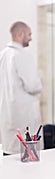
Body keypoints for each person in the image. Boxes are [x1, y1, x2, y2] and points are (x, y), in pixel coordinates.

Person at [0, 21, 42, 155]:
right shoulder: (22, 55)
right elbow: (33, 86)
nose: (30, 38)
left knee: (9, 156)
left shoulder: (3, 55)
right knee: (27, 162)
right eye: (29, 34)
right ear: (20, 34)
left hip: (8, 117)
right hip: (24, 118)